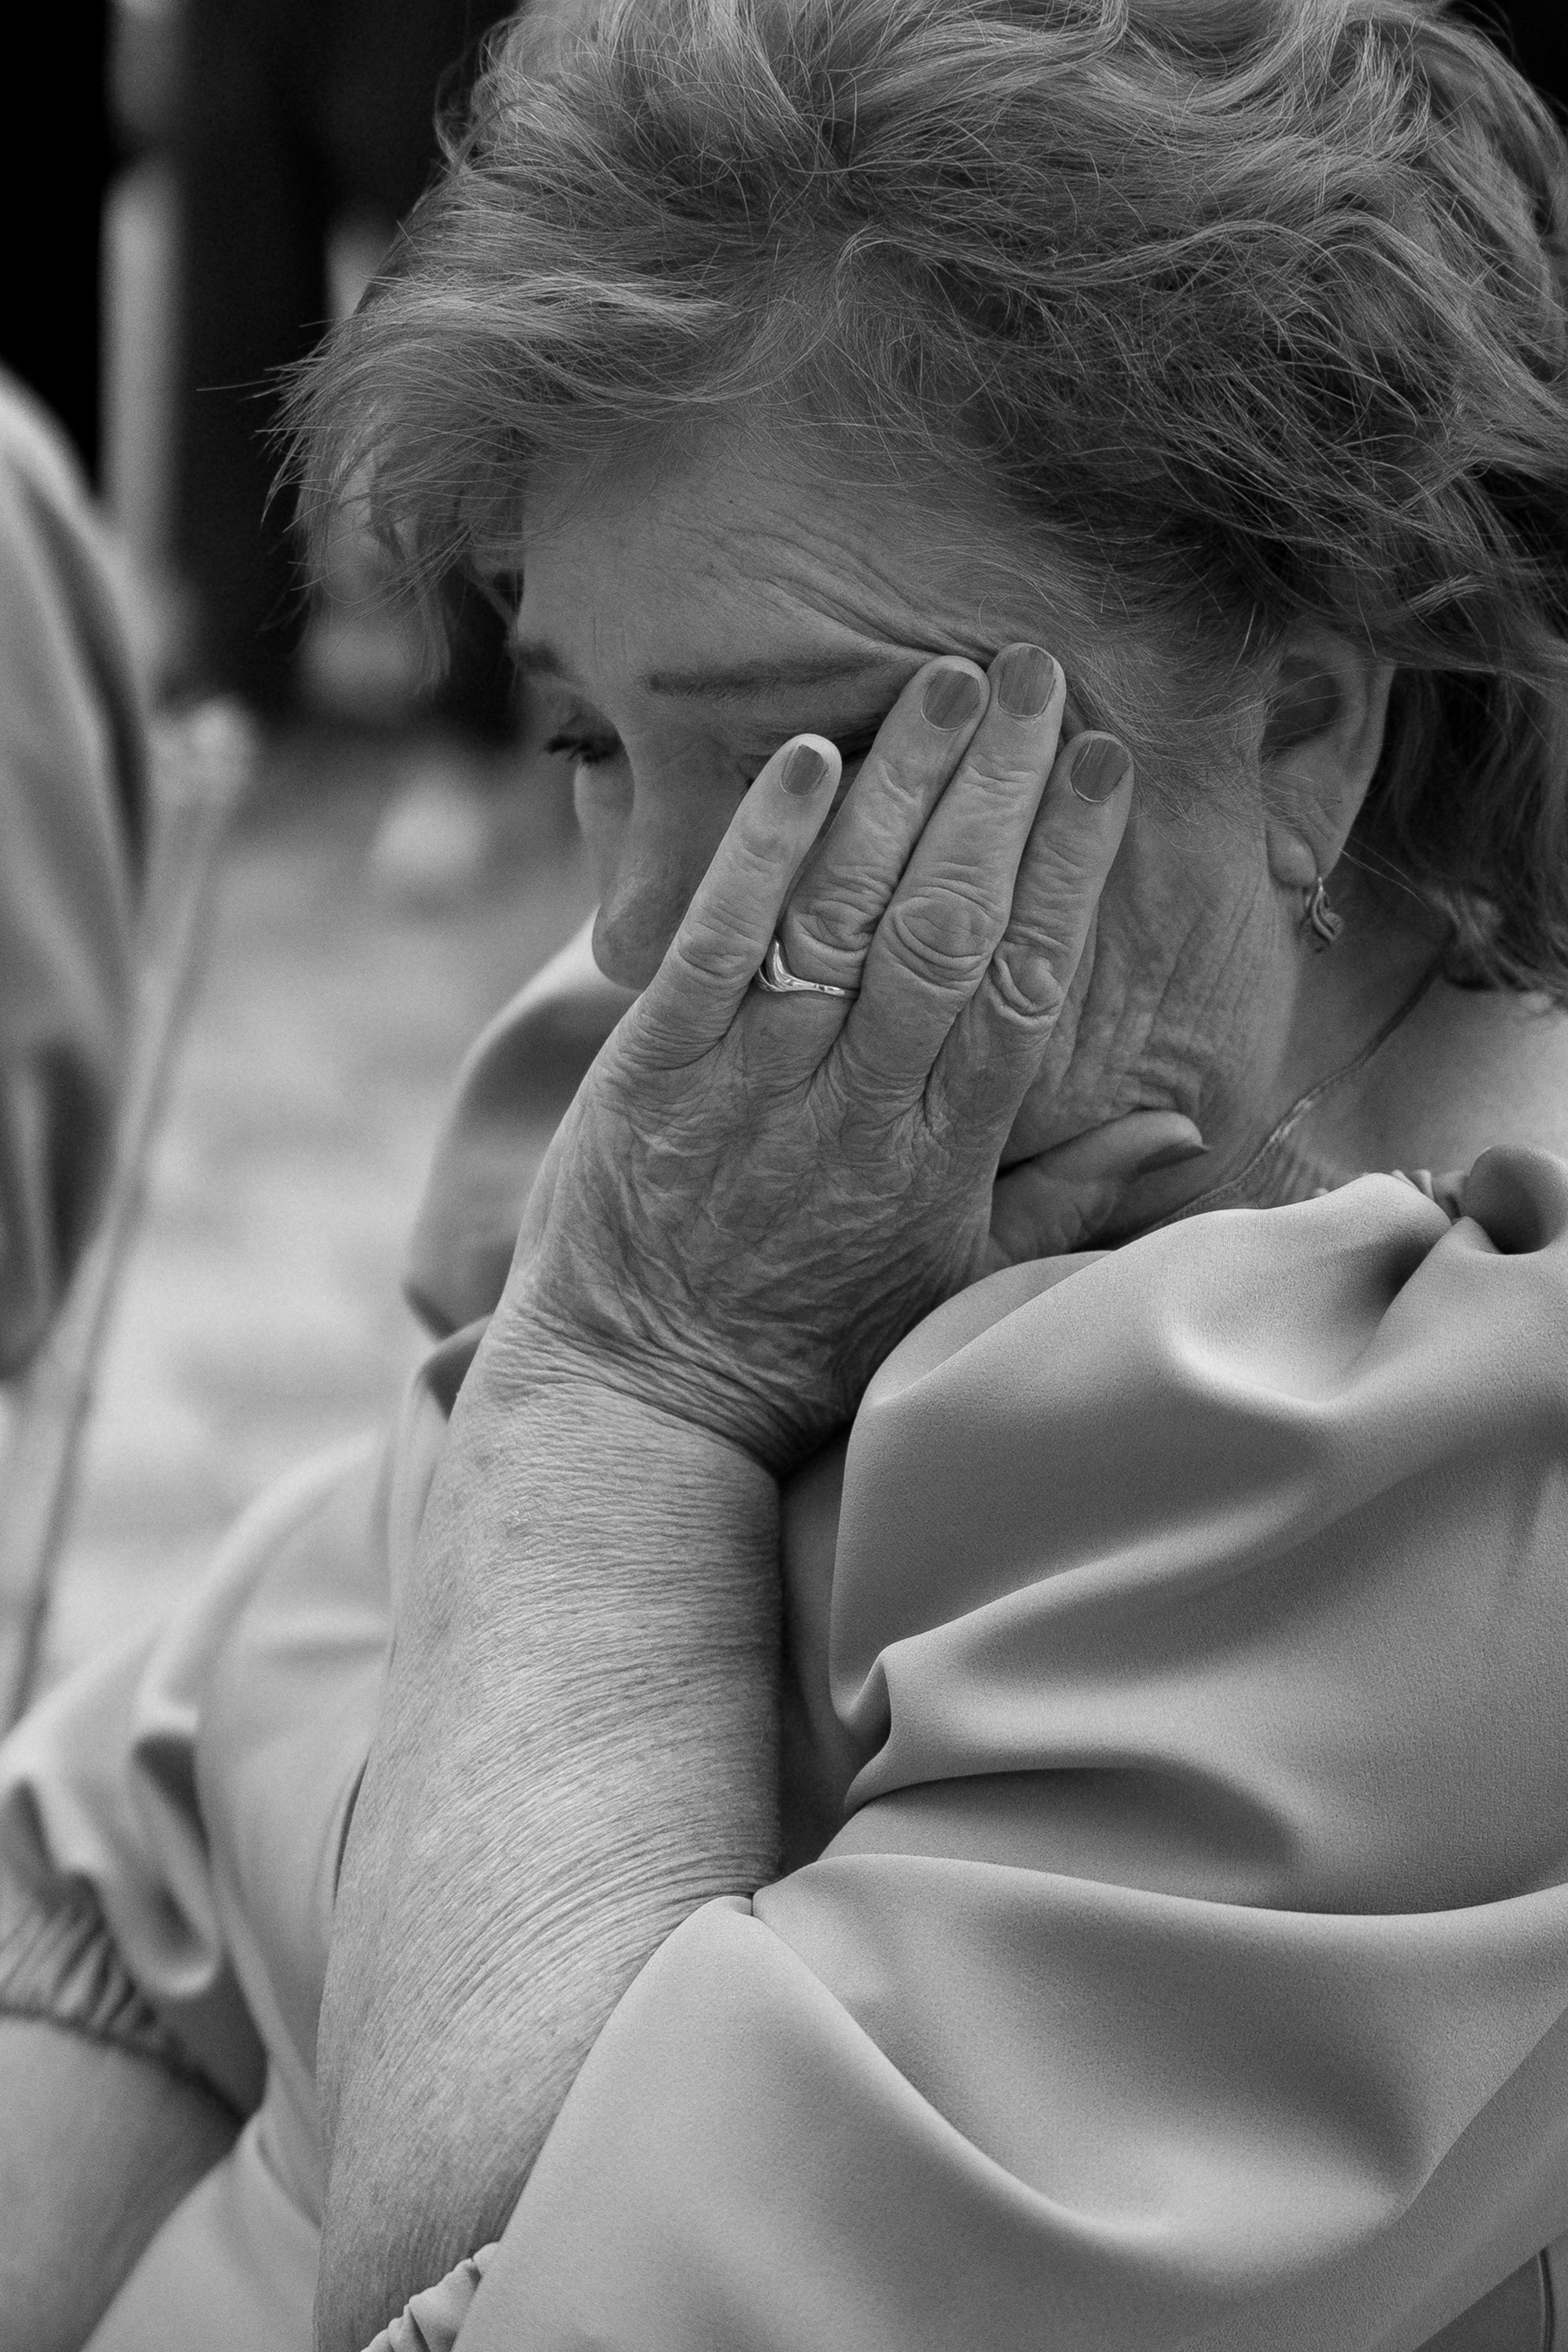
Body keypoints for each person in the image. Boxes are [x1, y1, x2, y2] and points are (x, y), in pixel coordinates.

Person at [5, 0, 1568, 2346]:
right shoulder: (742, 1096)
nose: (640, 932)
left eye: (815, 756)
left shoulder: (1462, 1451)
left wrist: (623, 1397)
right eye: (583, 737)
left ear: (1304, 733)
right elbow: (120, 1866)